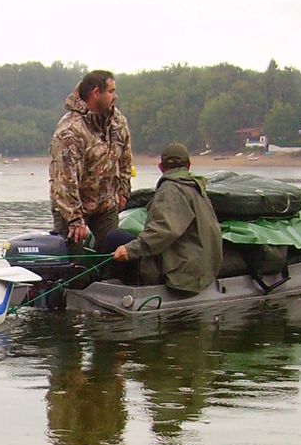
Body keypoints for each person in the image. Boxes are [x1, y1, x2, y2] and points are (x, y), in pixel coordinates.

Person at [112, 143, 224, 294]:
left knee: (114, 238)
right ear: (189, 165)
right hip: (204, 270)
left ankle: (108, 288)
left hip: (184, 276)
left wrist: (129, 250)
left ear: (160, 167)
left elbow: (164, 231)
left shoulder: (171, 189)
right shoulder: (197, 188)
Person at [49, 70, 133, 250]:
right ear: (96, 92)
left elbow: (125, 158)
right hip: (71, 209)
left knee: (112, 258)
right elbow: (64, 180)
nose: (115, 96)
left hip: (105, 205)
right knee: (75, 266)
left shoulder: (117, 121)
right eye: (111, 91)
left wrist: (124, 191)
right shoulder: (70, 130)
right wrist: (75, 220)